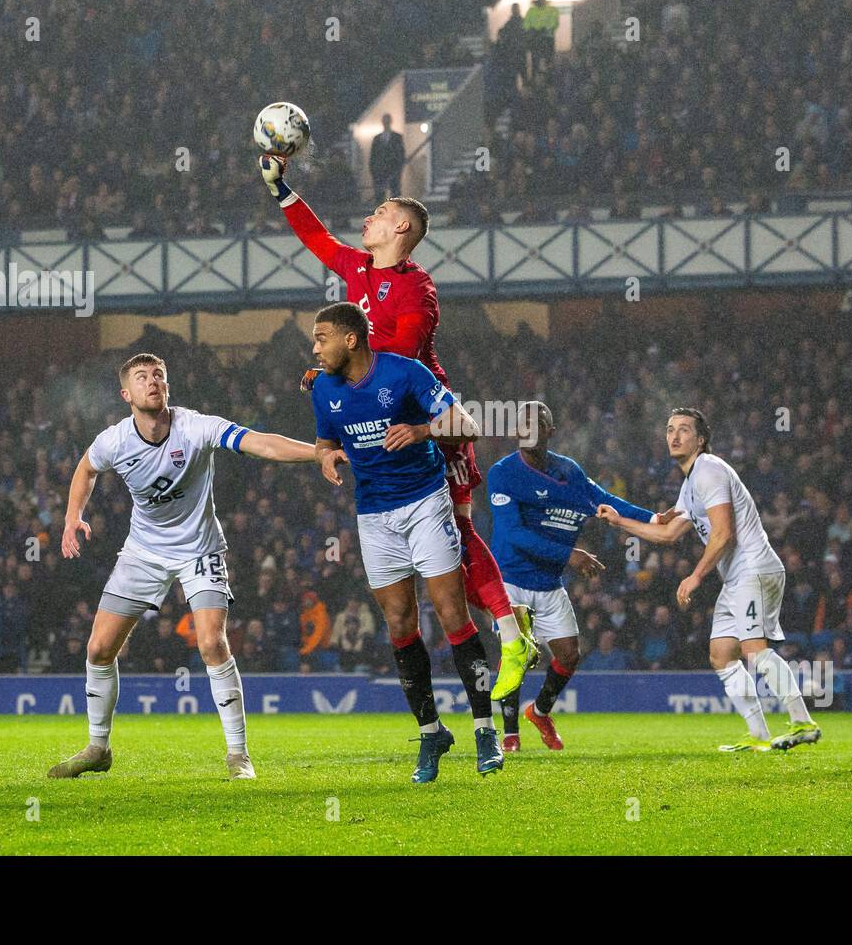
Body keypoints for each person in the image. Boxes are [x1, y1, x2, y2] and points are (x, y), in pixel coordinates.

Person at [259, 152, 539, 700]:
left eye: (380, 211)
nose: (368, 216)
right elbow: (316, 240)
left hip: (430, 416)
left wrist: (336, 363)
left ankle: (511, 635)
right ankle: (515, 623)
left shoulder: (418, 289)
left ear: (402, 228)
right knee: (448, 557)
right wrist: (281, 189)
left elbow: (402, 356)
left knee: (459, 533)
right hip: (377, 422)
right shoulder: (358, 270)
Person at [48, 352, 317, 781]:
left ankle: (238, 755)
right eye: (142, 377)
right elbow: (86, 469)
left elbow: (259, 442)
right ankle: (98, 748)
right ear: (126, 394)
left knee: (212, 643)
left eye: (159, 375)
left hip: (200, 550)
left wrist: (317, 453)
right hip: (143, 552)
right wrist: (71, 516)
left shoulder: (195, 427)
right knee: (98, 649)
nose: (153, 381)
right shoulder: (114, 441)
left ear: (167, 387)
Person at [307, 302, 502, 782]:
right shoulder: (323, 388)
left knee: (452, 614)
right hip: (373, 514)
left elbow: (468, 426)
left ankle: (484, 730)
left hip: (424, 502)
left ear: (351, 339)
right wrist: (326, 458)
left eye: (321, 337)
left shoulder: (405, 373)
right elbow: (325, 441)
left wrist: (419, 431)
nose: (315, 348)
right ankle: (432, 732)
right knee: (398, 624)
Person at [600, 408, 821, 752]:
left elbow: (723, 533)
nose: (674, 435)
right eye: (670, 429)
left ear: (700, 440)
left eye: (684, 430)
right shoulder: (690, 484)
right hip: (736, 578)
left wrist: (695, 576)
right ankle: (759, 735)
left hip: (754, 568)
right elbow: (668, 533)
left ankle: (803, 722)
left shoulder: (709, 469)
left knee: (754, 649)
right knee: (721, 654)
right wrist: (619, 522)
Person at [487, 401, 666, 751]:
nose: (528, 429)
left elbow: (606, 502)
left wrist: (656, 519)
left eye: (537, 423)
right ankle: (509, 734)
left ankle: (539, 712)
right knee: (516, 653)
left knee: (570, 655)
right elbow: (513, 535)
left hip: (549, 584)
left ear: (550, 431)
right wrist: (570, 554)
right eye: (522, 424)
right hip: (511, 580)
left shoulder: (569, 472)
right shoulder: (503, 473)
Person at [368, 114, 405, 201]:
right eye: (385, 120)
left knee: (395, 194)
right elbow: (373, 155)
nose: (386, 122)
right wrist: (373, 169)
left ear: (390, 122)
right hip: (380, 170)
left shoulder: (397, 137)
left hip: (393, 169)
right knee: (379, 195)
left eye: (387, 120)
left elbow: (401, 153)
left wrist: (399, 168)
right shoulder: (377, 138)